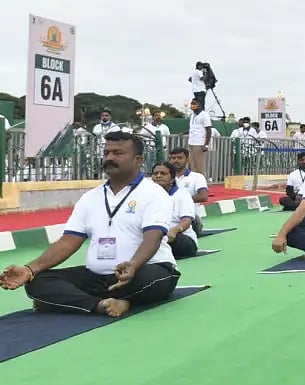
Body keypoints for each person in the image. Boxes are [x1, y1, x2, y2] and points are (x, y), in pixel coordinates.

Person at [0, 132, 180, 317]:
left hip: (145, 270)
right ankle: (102, 304)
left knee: (151, 280)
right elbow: (68, 241)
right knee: (37, 281)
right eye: (106, 153)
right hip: (97, 277)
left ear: (138, 159)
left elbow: (154, 236)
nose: (109, 158)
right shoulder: (90, 198)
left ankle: (70, 300)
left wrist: (133, 265)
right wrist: (29, 269)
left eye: (118, 153)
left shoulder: (154, 193)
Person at [150, 162, 198, 259]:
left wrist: (174, 231)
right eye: (155, 174)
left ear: (172, 178)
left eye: (163, 174)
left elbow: (186, 221)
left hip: (179, 237)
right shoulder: (147, 196)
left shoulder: (182, 195)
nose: (158, 176)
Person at [169, 148, 210, 235]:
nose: (176, 161)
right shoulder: (166, 178)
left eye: (179, 158)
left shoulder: (197, 177)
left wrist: (181, 202)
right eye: (173, 158)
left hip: (191, 219)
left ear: (187, 160)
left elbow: (203, 196)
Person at [186, 98, 212, 176]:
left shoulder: (204, 115)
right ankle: (194, 183)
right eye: (191, 104)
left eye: (194, 104)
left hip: (199, 143)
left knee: (199, 166)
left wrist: (206, 144)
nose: (192, 105)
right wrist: (183, 133)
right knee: (192, 165)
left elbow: (208, 130)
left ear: (199, 105)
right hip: (191, 142)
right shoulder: (192, 115)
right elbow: (193, 128)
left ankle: (202, 184)